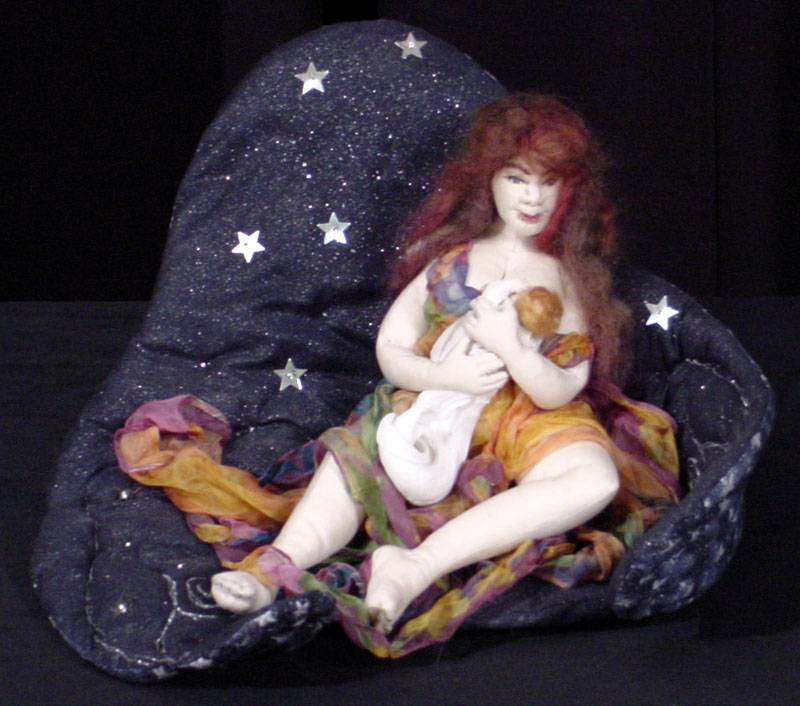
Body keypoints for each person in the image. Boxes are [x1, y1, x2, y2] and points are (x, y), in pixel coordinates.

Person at [115, 93, 680, 656]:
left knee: (595, 480)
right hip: (433, 400)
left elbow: (563, 387)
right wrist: (446, 376)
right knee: (354, 455)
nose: (531, 197)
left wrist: (512, 347)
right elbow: (391, 348)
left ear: (570, 190)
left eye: (547, 181)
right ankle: (273, 568)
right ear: (489, 180)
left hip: (527, 416)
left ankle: (415, 567)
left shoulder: (566, 277)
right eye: (516, 178)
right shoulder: (453, 262)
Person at [376, 283, 564, 507]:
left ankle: (428, 472)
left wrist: (511, 347)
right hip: (448, 381)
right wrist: (443, 374)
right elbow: (486, 304)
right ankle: (407, 444)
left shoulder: (526, 341)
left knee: (453, 439)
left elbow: (538, 374)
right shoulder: (492, 308)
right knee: (433, 414)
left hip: (478, 402)